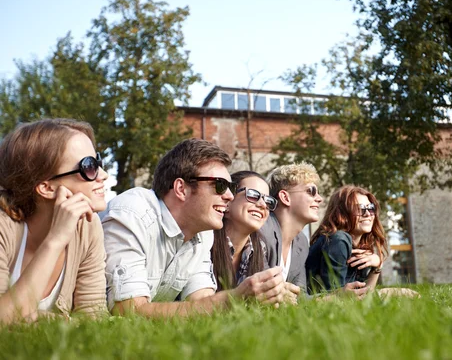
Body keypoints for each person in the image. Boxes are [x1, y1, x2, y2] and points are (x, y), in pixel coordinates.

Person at [102, 139, 284, 318]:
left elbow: (202, 304)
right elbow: (128, 310)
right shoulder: (133, 213)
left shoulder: (203, 234)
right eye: (220, 186)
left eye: (231, 187)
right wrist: (232, 299)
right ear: (181, 188)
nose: (229, 196)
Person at [0, 118, 109, 324]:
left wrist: (37, 319)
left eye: (98, 161)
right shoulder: (3, 226)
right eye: (89, 167)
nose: (103, 175)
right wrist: (56, 240)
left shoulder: (88, 226)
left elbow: (94, 319)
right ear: (46, 188)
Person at [258, 163, 369, 302]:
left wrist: (337, 297)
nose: (319, 198)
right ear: (285, 198)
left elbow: (300, 297)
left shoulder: (301, 242)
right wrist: (335, 297)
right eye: (311, 191)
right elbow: (260, 293)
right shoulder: (261, 230)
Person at [306, 185, 386, 294]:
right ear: (342, 213)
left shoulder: (356, 246)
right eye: (359, 208)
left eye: (370, 208)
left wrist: (378, 266)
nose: (367, 214)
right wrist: (386, 293)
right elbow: (337, 297)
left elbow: (365, 295)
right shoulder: (338, 240)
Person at [211, 171, 277, 291]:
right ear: (228, 201)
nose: (263, 204)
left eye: (268, 201)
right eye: (252, 195)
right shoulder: (205, 243)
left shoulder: (259, 247)